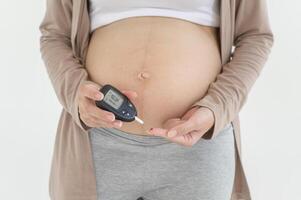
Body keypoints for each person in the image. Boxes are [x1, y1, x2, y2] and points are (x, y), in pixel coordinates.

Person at [39, 0, 274, 200]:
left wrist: (217, 107)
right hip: (98, 143)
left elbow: (255, 35)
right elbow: (55, 35)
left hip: (197, 148)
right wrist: (74, 91)